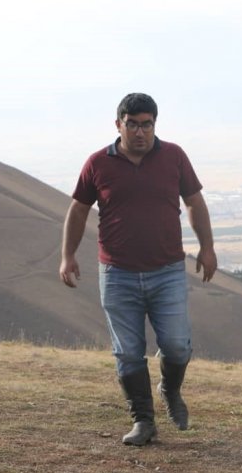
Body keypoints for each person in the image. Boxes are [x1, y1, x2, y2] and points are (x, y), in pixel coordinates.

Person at [59, 93, 217, 446]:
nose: (141, 132)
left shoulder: (173, 156)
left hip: (168, 271)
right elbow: (78, 210)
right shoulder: (98, 163)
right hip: (117, 274)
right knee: (128, 352)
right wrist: (67, 255)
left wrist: (207, 248)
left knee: (177, 346)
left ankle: (170, 390)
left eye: (147, 124)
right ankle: (143, 421)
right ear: (119, 125)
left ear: (154, 125)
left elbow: (194, 203)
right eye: (133, 124)